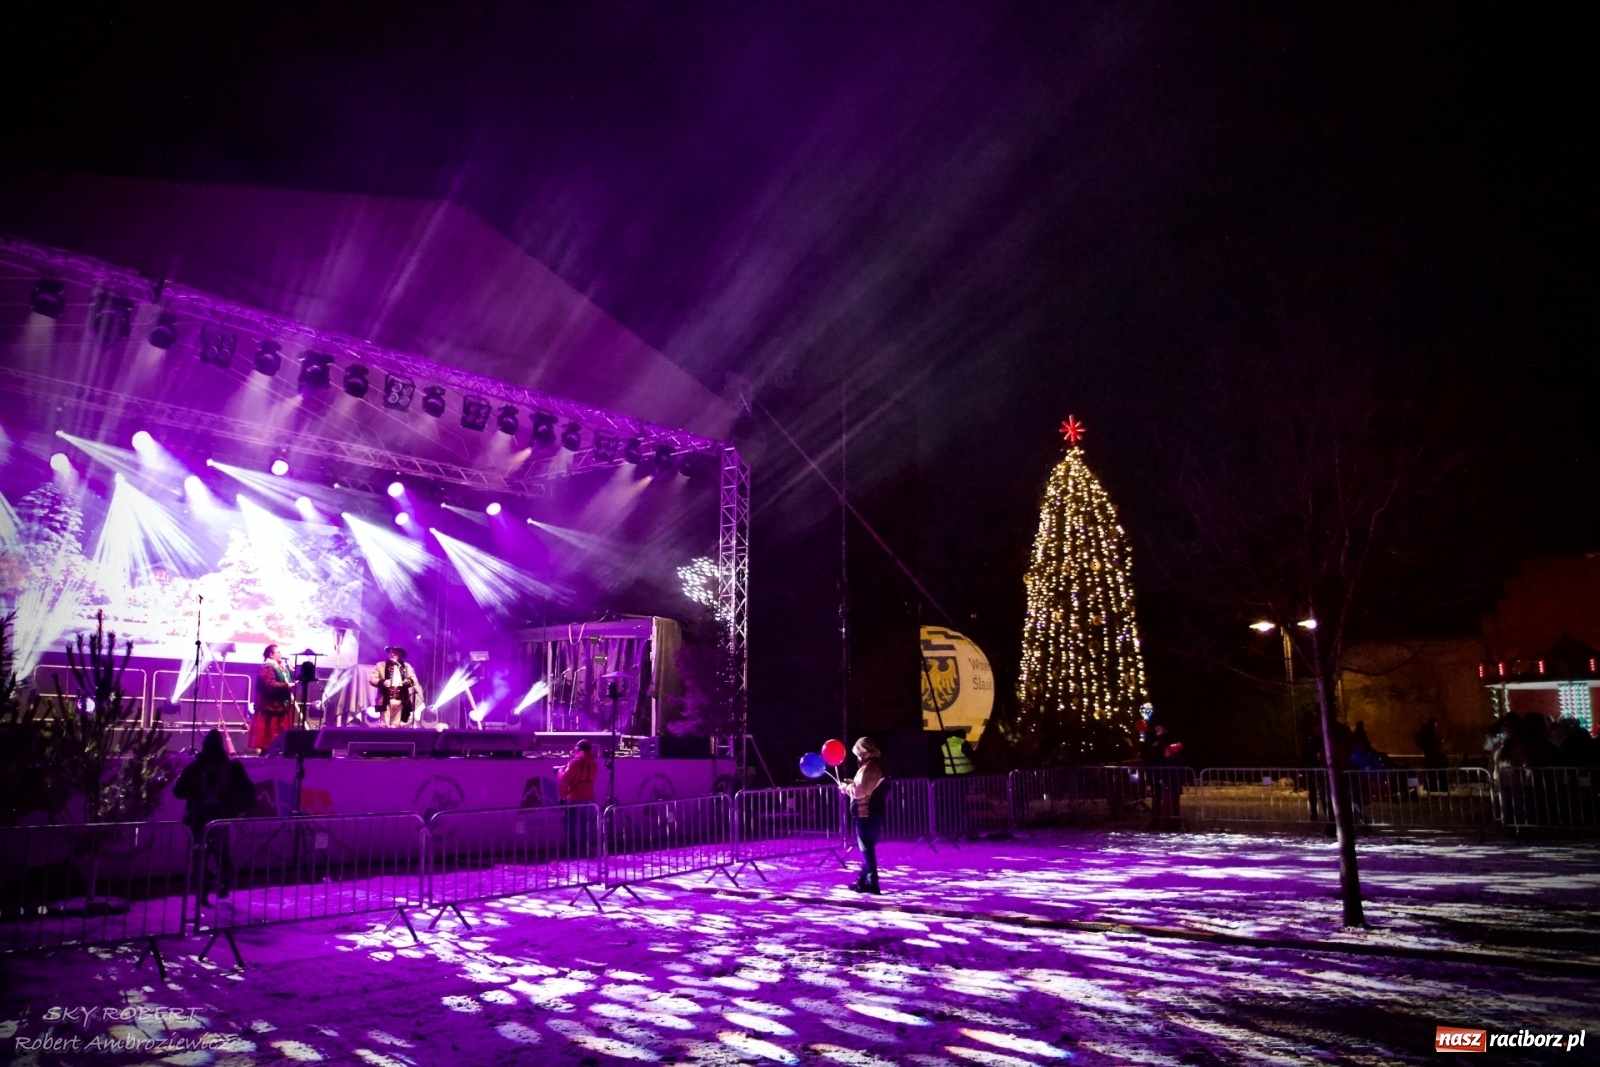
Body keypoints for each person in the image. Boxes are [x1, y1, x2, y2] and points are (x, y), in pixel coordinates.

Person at [173, 729, 256, 904]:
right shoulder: (228, 767)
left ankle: (205, 889)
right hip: (218, 814)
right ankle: (221, 883)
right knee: (220, 852)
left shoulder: (197, 767)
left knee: (201, 854)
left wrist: (197, 792)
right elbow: (246, 790)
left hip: (201, 814)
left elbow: (178, 791)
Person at [840, 736, 887, 894]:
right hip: (870, 811)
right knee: (868, 848)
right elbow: (864, 785)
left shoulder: (871, 766)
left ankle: (873, 882)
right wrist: (851, 783)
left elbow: (861, 791)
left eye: (858, 752)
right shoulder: (871, 765)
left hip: (867, 812)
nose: (857, 756)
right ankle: (862, 880)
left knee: (866, 848)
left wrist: (847, 789)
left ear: (864, 751)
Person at [250, 644, 296, 754]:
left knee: (280, 731)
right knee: (271, 733)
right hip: (271, 706)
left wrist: (290, 671)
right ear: (271, 655)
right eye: (278, 652)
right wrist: (287, 685)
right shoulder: (267, 668)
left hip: (280, 705)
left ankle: (278, 750)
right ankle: (267, 752)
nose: (281, 655)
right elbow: (270, 684)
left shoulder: (280, 667)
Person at [556, 740, 599, 857]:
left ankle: (571, 849)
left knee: (569, 824)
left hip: (574, 797)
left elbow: (565, 778)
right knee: (585, 825)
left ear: (579, 748)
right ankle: (583, 849)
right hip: (589, 797)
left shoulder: (574, 762)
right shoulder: (593, 763)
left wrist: (560, 771)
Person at [370, 646, 424, 728]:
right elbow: (372, 679)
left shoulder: (406, 666)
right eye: (391, 652)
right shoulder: (380, 665)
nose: (392, 654)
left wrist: (408, 682)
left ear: (400, 655)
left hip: (400, 700)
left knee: (396, 726)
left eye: (395, 653)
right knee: (384, 725)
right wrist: (383, 682)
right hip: (385, 700)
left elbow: (413, 679)